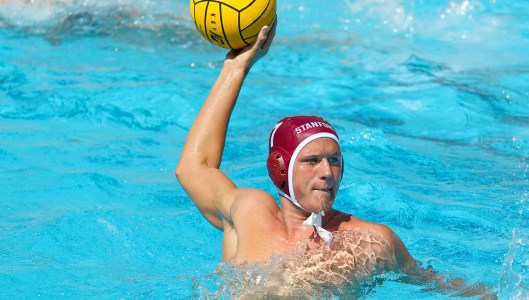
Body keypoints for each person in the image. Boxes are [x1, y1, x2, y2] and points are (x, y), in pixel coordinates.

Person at [176, 18, 496, 298]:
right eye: (312, 160)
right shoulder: (247, 212)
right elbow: (194, 168)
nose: (327, 172)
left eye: (335, 160)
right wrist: (236, 67)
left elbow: (440, 286)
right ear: (280, 167)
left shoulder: (370, 242)